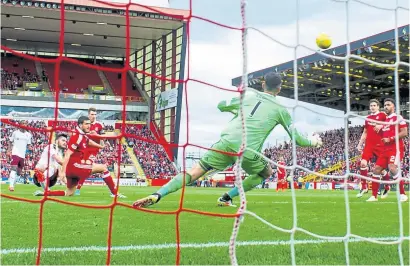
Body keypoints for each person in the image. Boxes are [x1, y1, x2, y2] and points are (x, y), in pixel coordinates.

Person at [133, 72, 323, 208]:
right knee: (266, 172)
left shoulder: (248, 95)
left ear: (263, 84)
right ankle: (226, 198)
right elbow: (298, 139)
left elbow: (221, 105)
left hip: (226, 142)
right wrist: (314, 140)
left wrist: (235, 104)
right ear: (279, 89)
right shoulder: (281, 110)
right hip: (248, 150)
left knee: (195, 171)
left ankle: (158, 194)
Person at [34, 116, 124, 197]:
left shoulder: (81, 135)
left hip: (72, 169)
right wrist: (62, 172)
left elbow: (88, 141)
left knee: (69, 193)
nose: (89, 126)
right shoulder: (77, 136)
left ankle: (46, 193)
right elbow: (68, 154)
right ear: (80, 125)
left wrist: (101, 146)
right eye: (86, 124)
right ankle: (115, 193)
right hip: (75, 167)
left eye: (89, 124)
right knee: (103, 168)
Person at [366, 98, 408, 202]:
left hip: (396, 149)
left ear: (393, 106)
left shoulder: (398, 117)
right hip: (385, 150)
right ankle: (374, 196)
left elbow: (404, 132)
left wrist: (391, 138)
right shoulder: (384, 121)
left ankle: (402, 194)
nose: (386, 107)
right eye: (385, 105)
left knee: (392, 168)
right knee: (376, 170)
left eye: (388, 105)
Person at [356, 99, 387, 198]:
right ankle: (364, 186)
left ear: (378, 106)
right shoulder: (368, 118)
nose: (372, 107)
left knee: (380, 170)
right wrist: (360, 144)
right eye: (371, 106)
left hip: (380, 145)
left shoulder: (383, 115)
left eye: (374, 105)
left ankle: (387, 186)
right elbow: (365, 132)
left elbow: (390, 125)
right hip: (369, 145)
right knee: (363, 163)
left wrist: (381, 125)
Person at [8, 120, 32, 192]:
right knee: (13, 168)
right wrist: (9, 150)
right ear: (20, 124)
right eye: (23, 123)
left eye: (25, 123)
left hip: (22, 155)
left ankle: (13, 185)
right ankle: (11, 186)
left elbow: (28, 144)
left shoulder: (28, 134)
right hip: (15, 153)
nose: (24, 125)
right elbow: (10, 141)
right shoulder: (15, 133)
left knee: (18, 172)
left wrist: (30, 148)